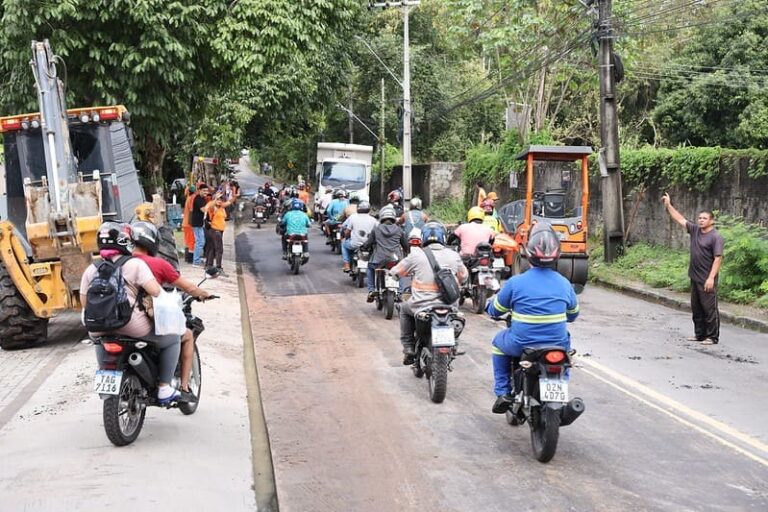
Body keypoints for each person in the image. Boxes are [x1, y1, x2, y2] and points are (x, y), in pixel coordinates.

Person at [80, 222, 182, 404]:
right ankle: (164, 388)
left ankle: (105, 373)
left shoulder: (92, 268)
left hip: (98, 327)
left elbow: (84, 302)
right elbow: (156, 291)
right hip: (132, 326)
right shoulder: (134, 264)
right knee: (173, 338)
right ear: (125, 241)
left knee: (99, 340)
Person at [485, 223, 579, 413]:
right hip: (557, 344)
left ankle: (503, 392)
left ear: (528, 254)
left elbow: (496, 310)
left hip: (521, 343)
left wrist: (489, 305)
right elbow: (573, 314)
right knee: (565, 357)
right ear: (557, 255)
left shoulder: (516, 282)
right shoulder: (564, 284)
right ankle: (562, 386)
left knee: (497, 342)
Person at [130, 221, 211, 394]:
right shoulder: (158, 264)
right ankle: (179, 386)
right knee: (185, 335)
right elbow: (187, 287)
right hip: (143, 323)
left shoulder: (120, 262)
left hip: (117, 321)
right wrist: (203, 294)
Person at [389, 222, 468, 364]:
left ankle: (408, 347)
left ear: (423, 238)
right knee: (457, 317)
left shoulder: (416, 255)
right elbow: (464, 276)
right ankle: (454, 342)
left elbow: (396, 272)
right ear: (443, 237)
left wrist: (394, 275)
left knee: (404, 310)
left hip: (421, 305)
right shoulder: (453, 255)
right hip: (450, 304)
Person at [662, 193, 724, 345]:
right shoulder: (695, 230)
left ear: (712, 221)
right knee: (696, 308)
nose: (701, 220)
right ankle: (699, 334)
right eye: (700, 218)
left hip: (707, 278)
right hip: (695, 277)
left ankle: (712, 336)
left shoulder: (716, 237)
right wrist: (669, 205)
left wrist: (711, 278)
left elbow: (718, 258)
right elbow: (680, 219)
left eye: (704, 218)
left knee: (709, 309)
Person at [360, 205, 408, 302]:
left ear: (382, 217)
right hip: (395, 259)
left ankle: (371, 290)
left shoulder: (376, 229)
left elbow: (369, 243)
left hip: (378, 259)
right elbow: (405, 245)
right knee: (401, 271)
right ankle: (401, 291)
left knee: (370, 268)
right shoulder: (399, 230)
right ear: (393, 217)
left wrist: (363, 247)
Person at [341, 201, 378, 272]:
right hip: (369, 246)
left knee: (343, 243)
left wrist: (346, 237)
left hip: (354, 244)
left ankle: (346, 265)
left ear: (358, 208)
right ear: (369, 209)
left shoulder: (353, 217)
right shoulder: (374, 220)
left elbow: (347, 232)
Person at [204, 191, 234, 272]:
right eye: (218, 199)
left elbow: (229, 202)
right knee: (219, 249)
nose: (220, 201)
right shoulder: (213, 207)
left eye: (221, 199)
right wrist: (215, 199)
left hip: (220, 230)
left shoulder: (221, 208)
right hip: (215, 230)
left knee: (213, 248)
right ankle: (218, 267)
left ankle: (209, 264)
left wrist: (234, 195)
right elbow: (207, 207)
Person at [189, 184, 209, 267]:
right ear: (199, 190)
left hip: (200, 223)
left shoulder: (202, 198)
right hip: (197, 224)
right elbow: (204, 210)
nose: (206, 192)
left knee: (200, 242)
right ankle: (196, 262)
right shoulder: (198, 199)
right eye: (204, 191)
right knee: (200, 242)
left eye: (206, 191)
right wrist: (212, 204)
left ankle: (197, 259)